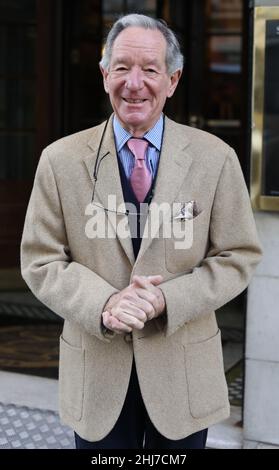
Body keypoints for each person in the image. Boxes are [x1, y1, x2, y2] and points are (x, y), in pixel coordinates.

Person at [21, 14, 262, 449]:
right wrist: (106, 302)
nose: (134, 84)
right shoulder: (60, 160)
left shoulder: (216, 158)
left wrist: (166, 299)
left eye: (150, 70)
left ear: (173, 79)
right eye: (122, 68)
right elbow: (40, 260)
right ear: (104, 75)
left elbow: (238, 256)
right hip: (97, 373)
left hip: (183, 373)